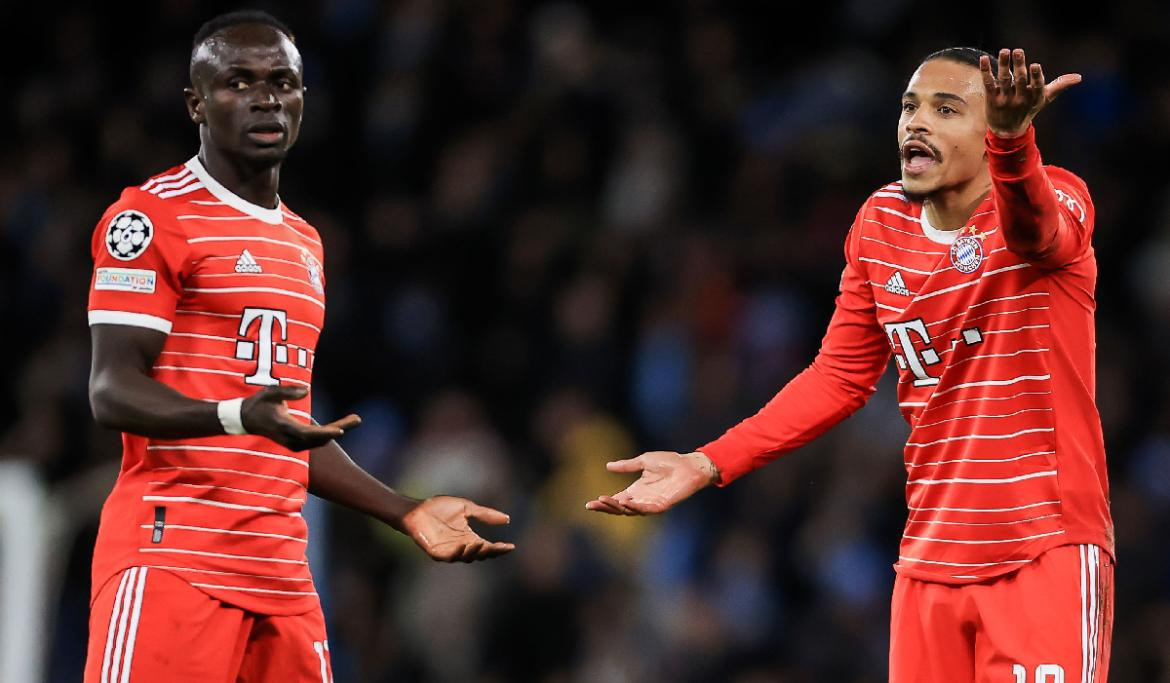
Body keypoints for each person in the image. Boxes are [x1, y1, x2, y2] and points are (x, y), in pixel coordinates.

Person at [588, 47, 1113, 682]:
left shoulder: (1058, 194)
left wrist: (1014, 145)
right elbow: (838, 377)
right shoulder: (879, 223)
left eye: (947, 109)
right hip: (928, 564)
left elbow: (1037, 232)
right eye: (910, 106)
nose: (917, 122)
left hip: (1042, 551)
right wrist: (707, 462)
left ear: (993, 129)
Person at [83, 11, 514, 682]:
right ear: (195, 102)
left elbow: (290, 430)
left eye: (283, 81)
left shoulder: (305, 243)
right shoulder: (150, 216)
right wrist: (234, 415)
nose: (265, 97)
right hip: (173, 559)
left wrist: (405, 510)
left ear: (304, 101)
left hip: (282, 575)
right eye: (238, 82)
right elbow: (110, 388)